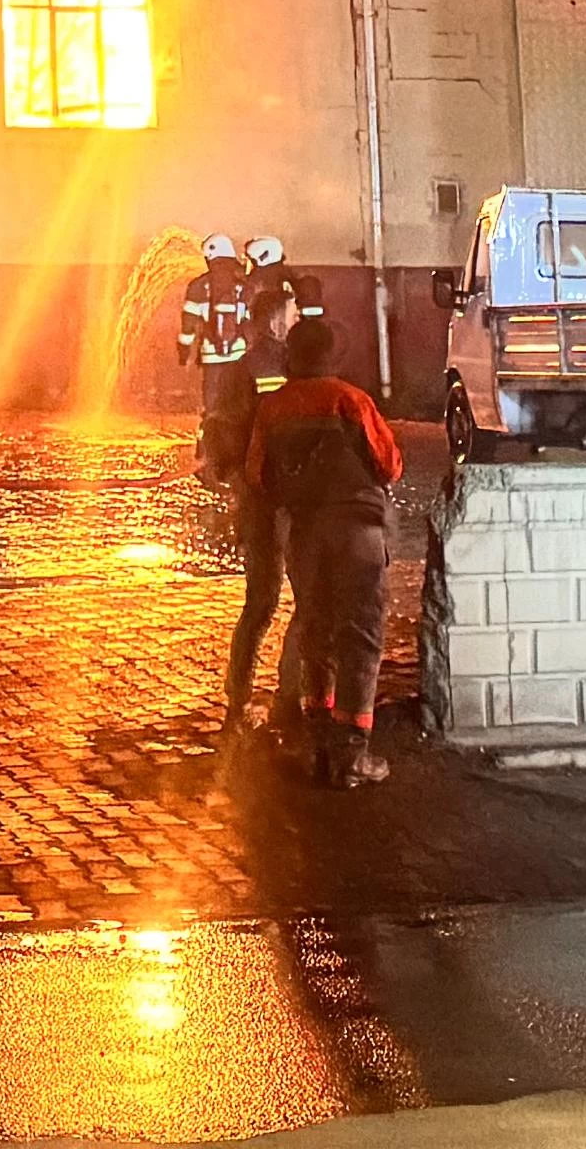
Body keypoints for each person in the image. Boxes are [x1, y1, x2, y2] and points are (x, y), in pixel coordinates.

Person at [248, 307, 404, 785]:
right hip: (358, 530)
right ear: (333, 356)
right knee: (360, 635)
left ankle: (317, 744)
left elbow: (257, 476)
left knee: (316, 630)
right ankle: (351, 754)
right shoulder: (351, 401)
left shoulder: (273, 408)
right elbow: (389, 465)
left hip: (306, 535)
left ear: (291, 356)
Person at [216, 290, 298, 738]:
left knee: (261, 603)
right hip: (279, 499)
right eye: (293, 312)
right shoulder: (278, 366)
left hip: (261, 499)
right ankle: (287, 698)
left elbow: (224, 436)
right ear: (275, 322)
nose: (299, 316)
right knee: (291, 601)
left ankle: (240, 703)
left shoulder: (242, 369)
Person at [177, 235, 255, 446]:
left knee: (211, 405)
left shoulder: (197, 286)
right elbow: (250, 322)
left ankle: (207, 449)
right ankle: (239, 448)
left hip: (211, 357)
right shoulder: (244, 285)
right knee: (239, 403)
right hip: (239, 357)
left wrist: (184, 352)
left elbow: (188, 324)